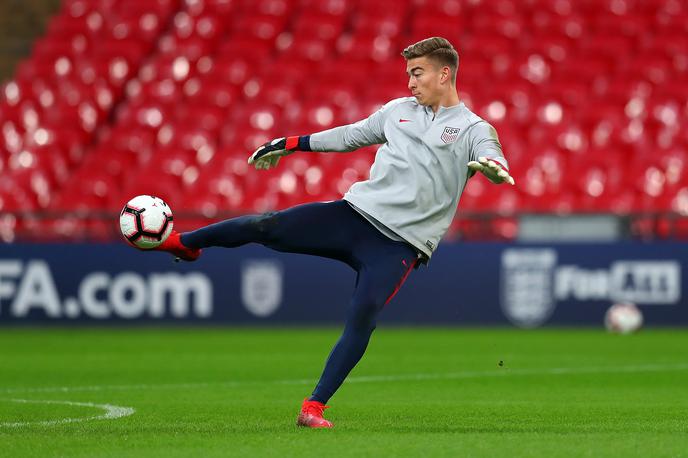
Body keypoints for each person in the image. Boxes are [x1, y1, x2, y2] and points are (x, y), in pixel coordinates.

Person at [149, 37, 515, 428]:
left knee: (362, 316)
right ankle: (183, 243)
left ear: (445, 74)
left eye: (417, 72)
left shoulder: (473, 127)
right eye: (408, 73)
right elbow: (348, 136)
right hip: (353, 216)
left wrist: (492, 165)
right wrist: (291, 143)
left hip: (398, 247)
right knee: (266, 225)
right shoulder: (397, 112)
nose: (410, 82)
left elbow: (490, 149)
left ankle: (314, 406)